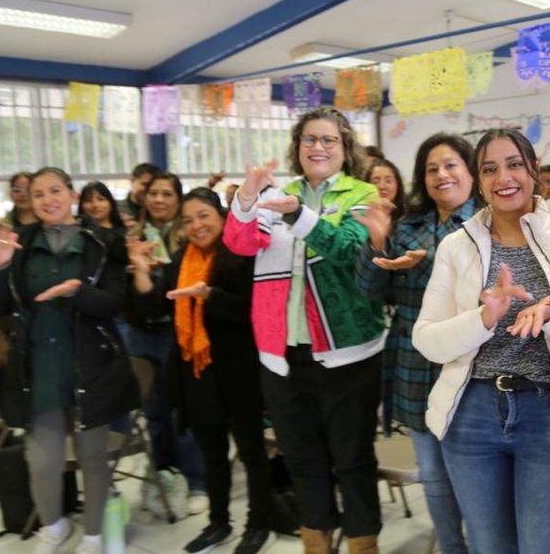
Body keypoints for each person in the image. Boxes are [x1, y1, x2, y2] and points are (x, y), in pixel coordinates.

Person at [413, 128, 550, 554]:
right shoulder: (456, 247)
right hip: (471, 415)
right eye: (490, 168)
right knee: (490, 547)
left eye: (514, 164)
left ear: (534, 171)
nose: (503, 177)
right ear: (478, 179)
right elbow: (428, 341)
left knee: (547, 546)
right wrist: (483, 318)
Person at [225, 106, 386, 554]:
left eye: (328, 139)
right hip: (280, 352)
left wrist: (298, 215)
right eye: (309, 139)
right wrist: (245, 197)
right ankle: (315, 541)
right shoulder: (278, 191)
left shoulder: (362, 192)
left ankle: (362, 544)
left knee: (352, 459)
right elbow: (240, 243)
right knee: (301, 458)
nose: (318, 147)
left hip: (348, 353)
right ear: (297, 148)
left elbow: (348, 249)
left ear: (344, 148)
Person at [0, 167, 137, 554]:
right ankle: (53, 525)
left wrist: (77, 291)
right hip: (39, 368)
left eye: (56, 190)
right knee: (42, 460)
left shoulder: (103, 243)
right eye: (38, 194)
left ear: (72, 195)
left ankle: (93, 533)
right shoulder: (18, 244)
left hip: (91, 364)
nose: (48, 200)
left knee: (93, 458)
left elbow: (115, 302)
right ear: (30, 202)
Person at [129, 188, 272, 554]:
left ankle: (259, 523)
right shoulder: (180, 260)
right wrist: (143, 272)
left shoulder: (241, 255)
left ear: (222, 217)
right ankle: (219, 522)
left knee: (252, 453)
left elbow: (252, 312)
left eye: (204, 216)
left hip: (239, 371)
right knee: (212, 454)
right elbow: (151, 307)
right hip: (197, 372)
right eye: (188, 220)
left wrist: (210, 295)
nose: (196, 225)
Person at [354, 133, 478, 554]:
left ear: (471, 171)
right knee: (434, 474)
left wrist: (434, 260)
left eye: (450, 166)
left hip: (471, 363)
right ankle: (449, 546)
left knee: (476, 476)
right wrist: (377, 240)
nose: (441, 175)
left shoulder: (492, 222)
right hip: (414, 360)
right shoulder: (408, 227)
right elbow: (370, 289)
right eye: (431, 168)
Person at [127, 171, 207, 516]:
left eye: (167, 194)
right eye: (154, 194)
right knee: (154, 414)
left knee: (183, 412)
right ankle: (165, 476)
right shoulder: (131, 237)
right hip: (140, 331)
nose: (159, 200)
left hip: (180, 333)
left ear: (178, 199)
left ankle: (197, 481)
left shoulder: (190, 236)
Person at [364, 159, 405, 226]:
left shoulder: (409, 215)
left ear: (397, 184)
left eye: (388, 181)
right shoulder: (359, 215)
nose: (382, 186)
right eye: (375, 182)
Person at [120, 162, 160, 229]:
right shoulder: (116, 210)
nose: (149, 190)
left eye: (152, 186)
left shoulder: (160, 211)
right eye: (145, 184)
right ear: (132, 181)